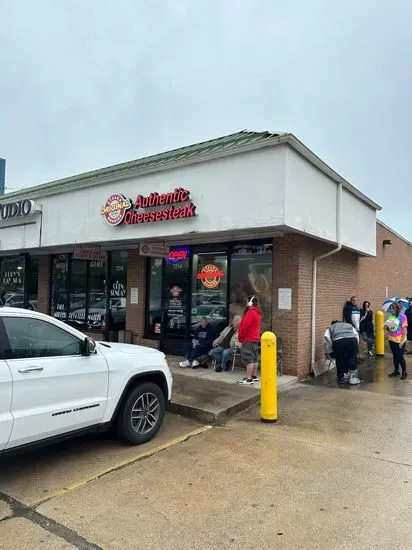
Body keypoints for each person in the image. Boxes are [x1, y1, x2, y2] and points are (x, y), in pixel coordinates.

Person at [324, 320, 361, 385]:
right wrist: (356, 347)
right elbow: (356, 335)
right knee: (352, 357)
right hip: (352, 340)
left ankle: (341, 379)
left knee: (339, 359)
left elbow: (326, 336)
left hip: (338, 341)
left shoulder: (331, 327)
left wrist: (332, 343)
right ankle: (352, 377)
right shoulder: (348, 325)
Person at [237, 296, 261, 385]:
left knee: (249, 359)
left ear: (250, 302)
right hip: (255, 338)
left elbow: (244, 327)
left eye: (247, 301)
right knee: (254, 358)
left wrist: (241, 337)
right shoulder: (258, 313)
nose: (246, 303)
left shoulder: (251, 313)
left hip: (248, 339)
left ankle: (249, 378)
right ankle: (254, 376)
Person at [385, 302, 408, 380]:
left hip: (400, 340)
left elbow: (404, 330)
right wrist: (386, 327)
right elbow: (389, 328)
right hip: (392, 339)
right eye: (390, 308)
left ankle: (404, 372)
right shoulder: (390, 316)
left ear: (397, 309)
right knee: (395, 356)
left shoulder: (402, 316)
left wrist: (402, 341)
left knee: (400, 356)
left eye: (393, 308)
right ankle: (396, 371)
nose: (391, 310)